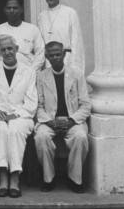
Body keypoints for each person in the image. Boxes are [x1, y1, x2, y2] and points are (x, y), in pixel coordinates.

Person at [0, 34, 37, 198]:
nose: (7, 52)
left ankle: (15, 177)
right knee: (1, 131)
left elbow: (31, 100)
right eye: (3, 50)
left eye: (10, 49)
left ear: (17, 49)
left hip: (21, 114)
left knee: (15, 131)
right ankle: (3, 176)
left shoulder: (28, 71)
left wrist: (15, 115)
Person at [34, 41, 91, 193]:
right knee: (41, 137)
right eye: (51, 55)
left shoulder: (76, 74)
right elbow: (38, 105)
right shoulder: (41, 76)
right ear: (47, 57)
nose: (55, 58)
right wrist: (49, 122)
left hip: (72, 120)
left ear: (64, 54)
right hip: (49, 120)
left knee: (80, 136)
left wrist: (72, 121)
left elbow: (85, 104)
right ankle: (48, 178)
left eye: (58, 54)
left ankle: (75, 179)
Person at [37, 0, 85, 72]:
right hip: (48, 63)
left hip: (67, 62)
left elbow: (76, 44)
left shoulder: (70, 13)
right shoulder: (41, 16)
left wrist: (76, 70)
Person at [0, 0, 45, 71]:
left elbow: (40, 53)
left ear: (21, 9)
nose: (12, 10)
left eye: (15, 8)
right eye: (9, 8)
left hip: (28, 69)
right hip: (4, 70)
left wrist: (32, 71)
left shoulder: (32, 29)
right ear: (5, 10)